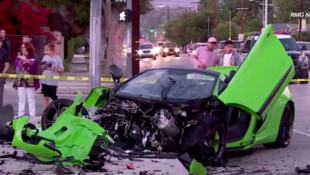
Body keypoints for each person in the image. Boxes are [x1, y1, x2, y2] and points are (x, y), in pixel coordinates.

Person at [13, 42, 39, 117]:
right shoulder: (19, 57)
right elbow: (17, 68)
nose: (23, 49)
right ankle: (20, 115)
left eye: (24, 47)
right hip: (21, 80)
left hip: (30, 81)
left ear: (28, 48)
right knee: (21, 99)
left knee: (31, 98)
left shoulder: (33, 58)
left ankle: (32, 115)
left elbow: (34, 66)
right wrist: (22, 60)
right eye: (22, 47)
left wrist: (27, 61)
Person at [40, 43, 64, 107]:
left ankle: (56, 109)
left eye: (48, 50)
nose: (47, 52)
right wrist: (43, 67)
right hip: (44, 80)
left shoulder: (57, 58)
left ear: (52, 50)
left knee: (54, 97)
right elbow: (41, 67)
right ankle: (46, 110)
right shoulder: (44, 57)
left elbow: (62, 70)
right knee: (45, 96)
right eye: (46, 50)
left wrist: (57, 69)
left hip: (53, 81)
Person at [0, 39, 10, 107]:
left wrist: (4, 72)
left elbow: (7, 64)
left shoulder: (4, 52)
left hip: (0, 75)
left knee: (0, 94)